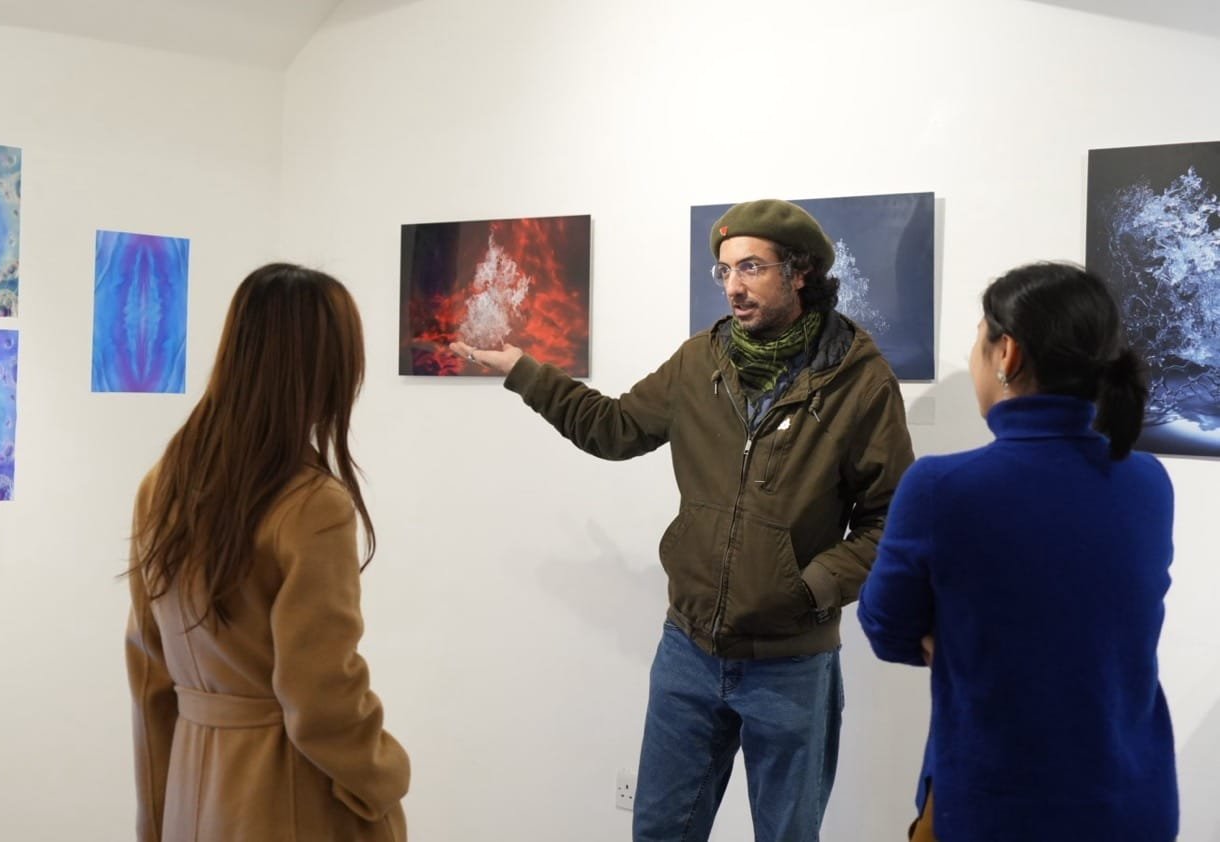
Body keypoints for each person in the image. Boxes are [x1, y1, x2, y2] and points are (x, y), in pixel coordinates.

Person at [452, 199, 914, 842]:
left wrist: (812, 587)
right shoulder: (701, 362)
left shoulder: (859, 382)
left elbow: (891, 519)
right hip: (688, 653)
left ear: (799, 272)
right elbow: (612, 428)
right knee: (661, 832)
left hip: (792, 664)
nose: (733, 287)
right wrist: (524, 372)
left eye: (751, 267)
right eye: (723, 271)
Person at [857, 262, 1178, 842]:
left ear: (1008, 355)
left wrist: (955, 639)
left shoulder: (942, 488)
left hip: (996, 806)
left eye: (980, 343)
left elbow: (885, 626)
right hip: (1133, 801)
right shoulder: (1149, 481)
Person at [125, 263, 410, 842]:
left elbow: (149, 675)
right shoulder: (313, 504)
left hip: (190, 792)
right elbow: (321, 695)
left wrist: (155, 815)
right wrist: (385, 775)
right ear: (325, 368)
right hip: (286, 799)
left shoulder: (164, 483)